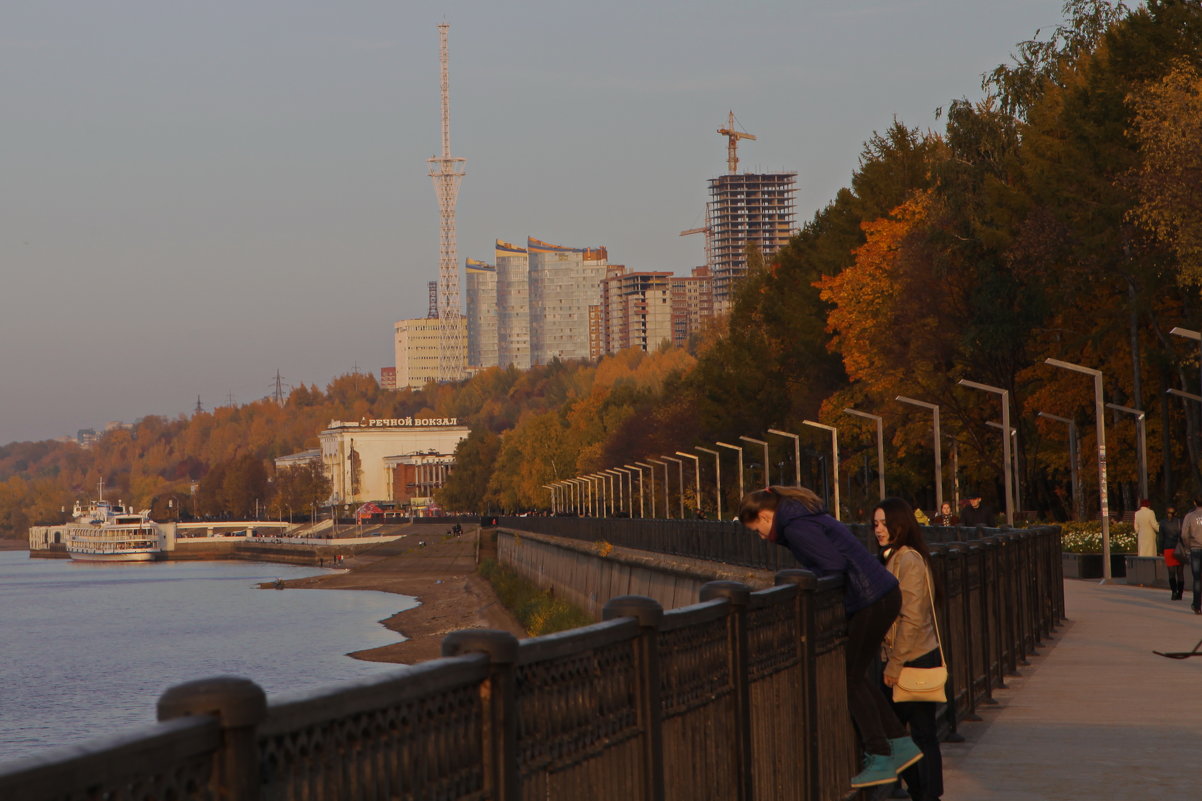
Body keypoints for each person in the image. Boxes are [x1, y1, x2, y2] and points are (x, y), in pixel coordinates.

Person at [739, 486, 922, 789]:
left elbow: (832, 565)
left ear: (765, 515)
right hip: (881, 594)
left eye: (757, 528)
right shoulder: (805, 515)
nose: (759, 535)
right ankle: (899, 744)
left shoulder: (796, 527)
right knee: (858, 675)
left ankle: (879, 754)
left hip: (870, 599)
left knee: (850, 678)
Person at [874, 498, 944, 801]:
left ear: (899, 525)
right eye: (875, 524)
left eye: (884, 523)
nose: (878, 529)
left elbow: (912, 617)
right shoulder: (893, 558)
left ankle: (924, 793)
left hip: (912, 660)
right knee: (911, 733)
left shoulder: (908, 560)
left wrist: (894, 664)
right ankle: (921, 791)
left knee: (917, 734)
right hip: (905, 658)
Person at [1180, 498, 1202, 615]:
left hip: (1195, 549)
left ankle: (1197, 605)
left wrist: (1188, 546)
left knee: (1197, 578)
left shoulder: (1190, 516)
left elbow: (1184, 534)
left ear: (1194, 503)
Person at [1159, 505, 1184, 601]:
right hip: (1179, 548)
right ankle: (1180, 593)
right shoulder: (1180, 522)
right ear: (1176, 513)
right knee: (1180, 573)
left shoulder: (1163, 523)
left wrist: (1160, 550)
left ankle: (1174, 592)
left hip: (1168, 548)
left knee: (1171, 573)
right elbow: (1184, 536)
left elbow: (1161, 538)